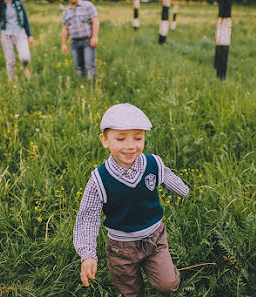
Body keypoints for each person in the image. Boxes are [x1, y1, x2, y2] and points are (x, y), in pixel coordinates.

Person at [73, 103, 189, 296]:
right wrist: (87, 255)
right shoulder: (99, 180)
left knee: (168, 284)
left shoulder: (153, 163)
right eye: (120, 139)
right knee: (130, 292)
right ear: (104, 140)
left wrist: (184, 191)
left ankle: (163, 273)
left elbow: (167, 175)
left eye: (138, 138)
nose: (130, 146)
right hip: (121, 249)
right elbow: (88, 218)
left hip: (155, 239)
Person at [0, 0, 34, 80]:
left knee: (25, 57)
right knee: (10, 61)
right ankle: (11, 82)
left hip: (20, 33)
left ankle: (24, 67)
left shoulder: (18, 3)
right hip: (6, 35)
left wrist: (30, 35)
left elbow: (25, 20)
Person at [61, 0, 99, 82]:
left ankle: (91, 88)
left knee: (90, 66)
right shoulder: (66, 11)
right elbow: (65, 29)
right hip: (74, 43)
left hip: (87, 41)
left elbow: (95, 21)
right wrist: (64, 44)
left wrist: (94, 37)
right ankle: (82, 86)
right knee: (78, 67)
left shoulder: (87, 6)